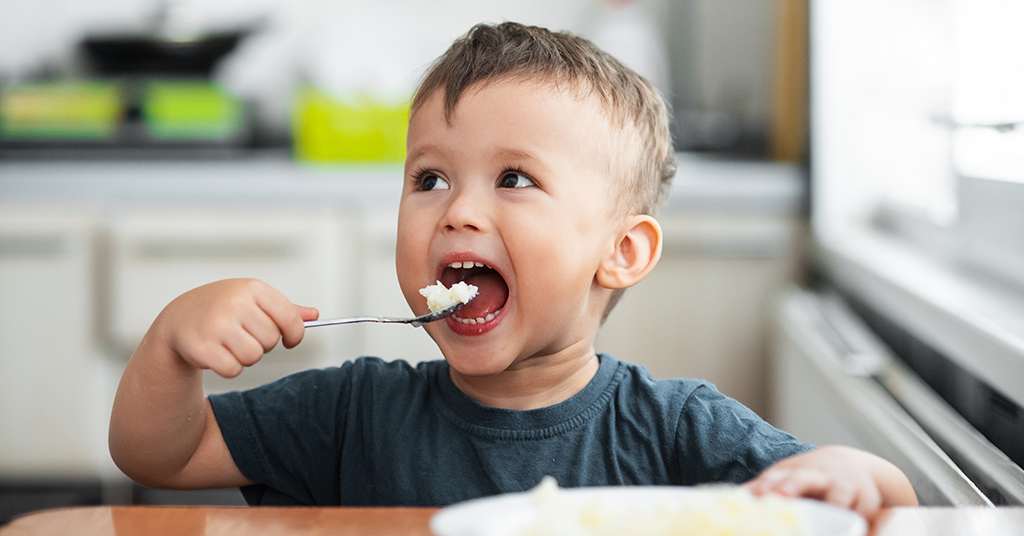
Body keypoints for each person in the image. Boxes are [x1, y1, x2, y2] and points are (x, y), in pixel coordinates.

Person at [108, 21, 916, 518]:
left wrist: (855, 471)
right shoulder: (355, 410)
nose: (455, 211)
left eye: (514, 179)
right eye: (429, 179)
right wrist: (171, 346)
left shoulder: (677, 428)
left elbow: (891, 499)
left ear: (621, 252)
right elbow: (162, 456)